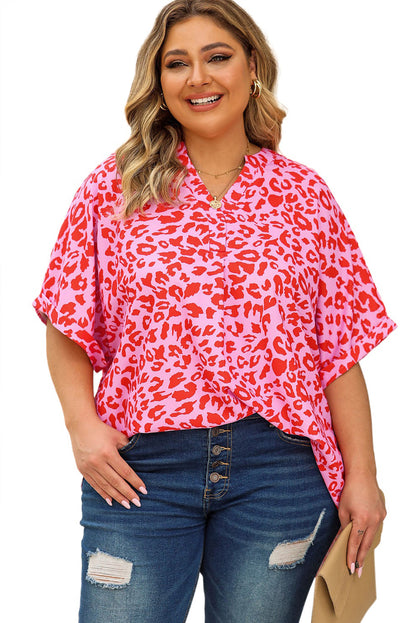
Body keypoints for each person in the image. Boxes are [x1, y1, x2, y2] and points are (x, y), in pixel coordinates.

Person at [33, 1, 396, 621]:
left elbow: (338, 350)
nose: (198, 77)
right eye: (177, 63)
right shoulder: (114, 188)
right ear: (159, 82)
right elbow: (67, 318)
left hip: (279, 471)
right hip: (141, 471)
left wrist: (363, 476)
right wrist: (80, 428)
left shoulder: (304, 195)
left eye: (217, 57)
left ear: (253, 66)